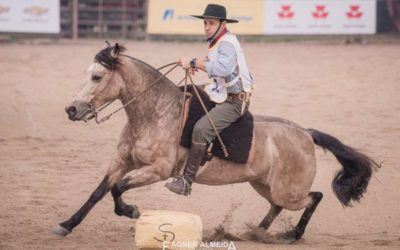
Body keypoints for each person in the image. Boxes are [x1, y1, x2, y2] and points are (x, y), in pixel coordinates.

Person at [165, 4, 254, 196]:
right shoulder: (219, 41)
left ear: (223, 24)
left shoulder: (227, 43)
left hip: (234, 101)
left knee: (201, 128)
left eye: (211, 23)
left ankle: (186, 181)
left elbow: (222, 69)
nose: (206, 27)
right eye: (205, 23)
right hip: (221, 94)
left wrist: (194, 63)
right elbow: (214, 60)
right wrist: (199, 62)